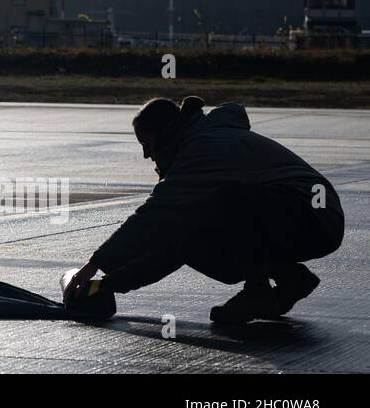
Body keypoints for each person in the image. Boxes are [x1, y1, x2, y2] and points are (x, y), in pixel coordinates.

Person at [64, 96, 343, 324]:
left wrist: (95, 264)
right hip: (304, 217)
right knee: (191, 239)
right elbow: (171, 247)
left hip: (312, 216)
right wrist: (108, 284)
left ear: (166, 132)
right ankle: (289, 278)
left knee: (229, 200)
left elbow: (151, 218)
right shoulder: (198, 143)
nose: (146, 155)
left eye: (147, 144)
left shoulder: (202, 150)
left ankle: (258, 293)